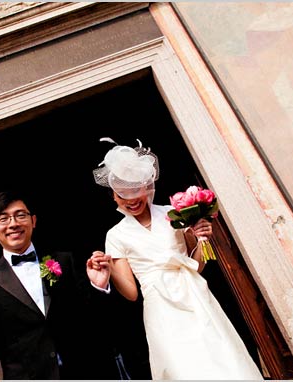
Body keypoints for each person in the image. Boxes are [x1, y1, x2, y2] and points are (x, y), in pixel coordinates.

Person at [87, 138, 265, 380]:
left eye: (136, 189)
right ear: (114, 197)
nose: (131, 199)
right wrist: (102, 279)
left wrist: (202, 238)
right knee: (182, 368)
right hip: (160, 309)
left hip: (195, 294)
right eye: (123, 193)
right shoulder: (115, 235)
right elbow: (131, 293)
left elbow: (198, 264)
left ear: (147, 186)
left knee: (221, 359)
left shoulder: (173, 215)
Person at [0, 190, 116, 380]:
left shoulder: (64, 261)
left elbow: (97, 322)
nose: (13, 223)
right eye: (3, 219)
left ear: (33, 221)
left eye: (20, 215)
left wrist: (100, 287)